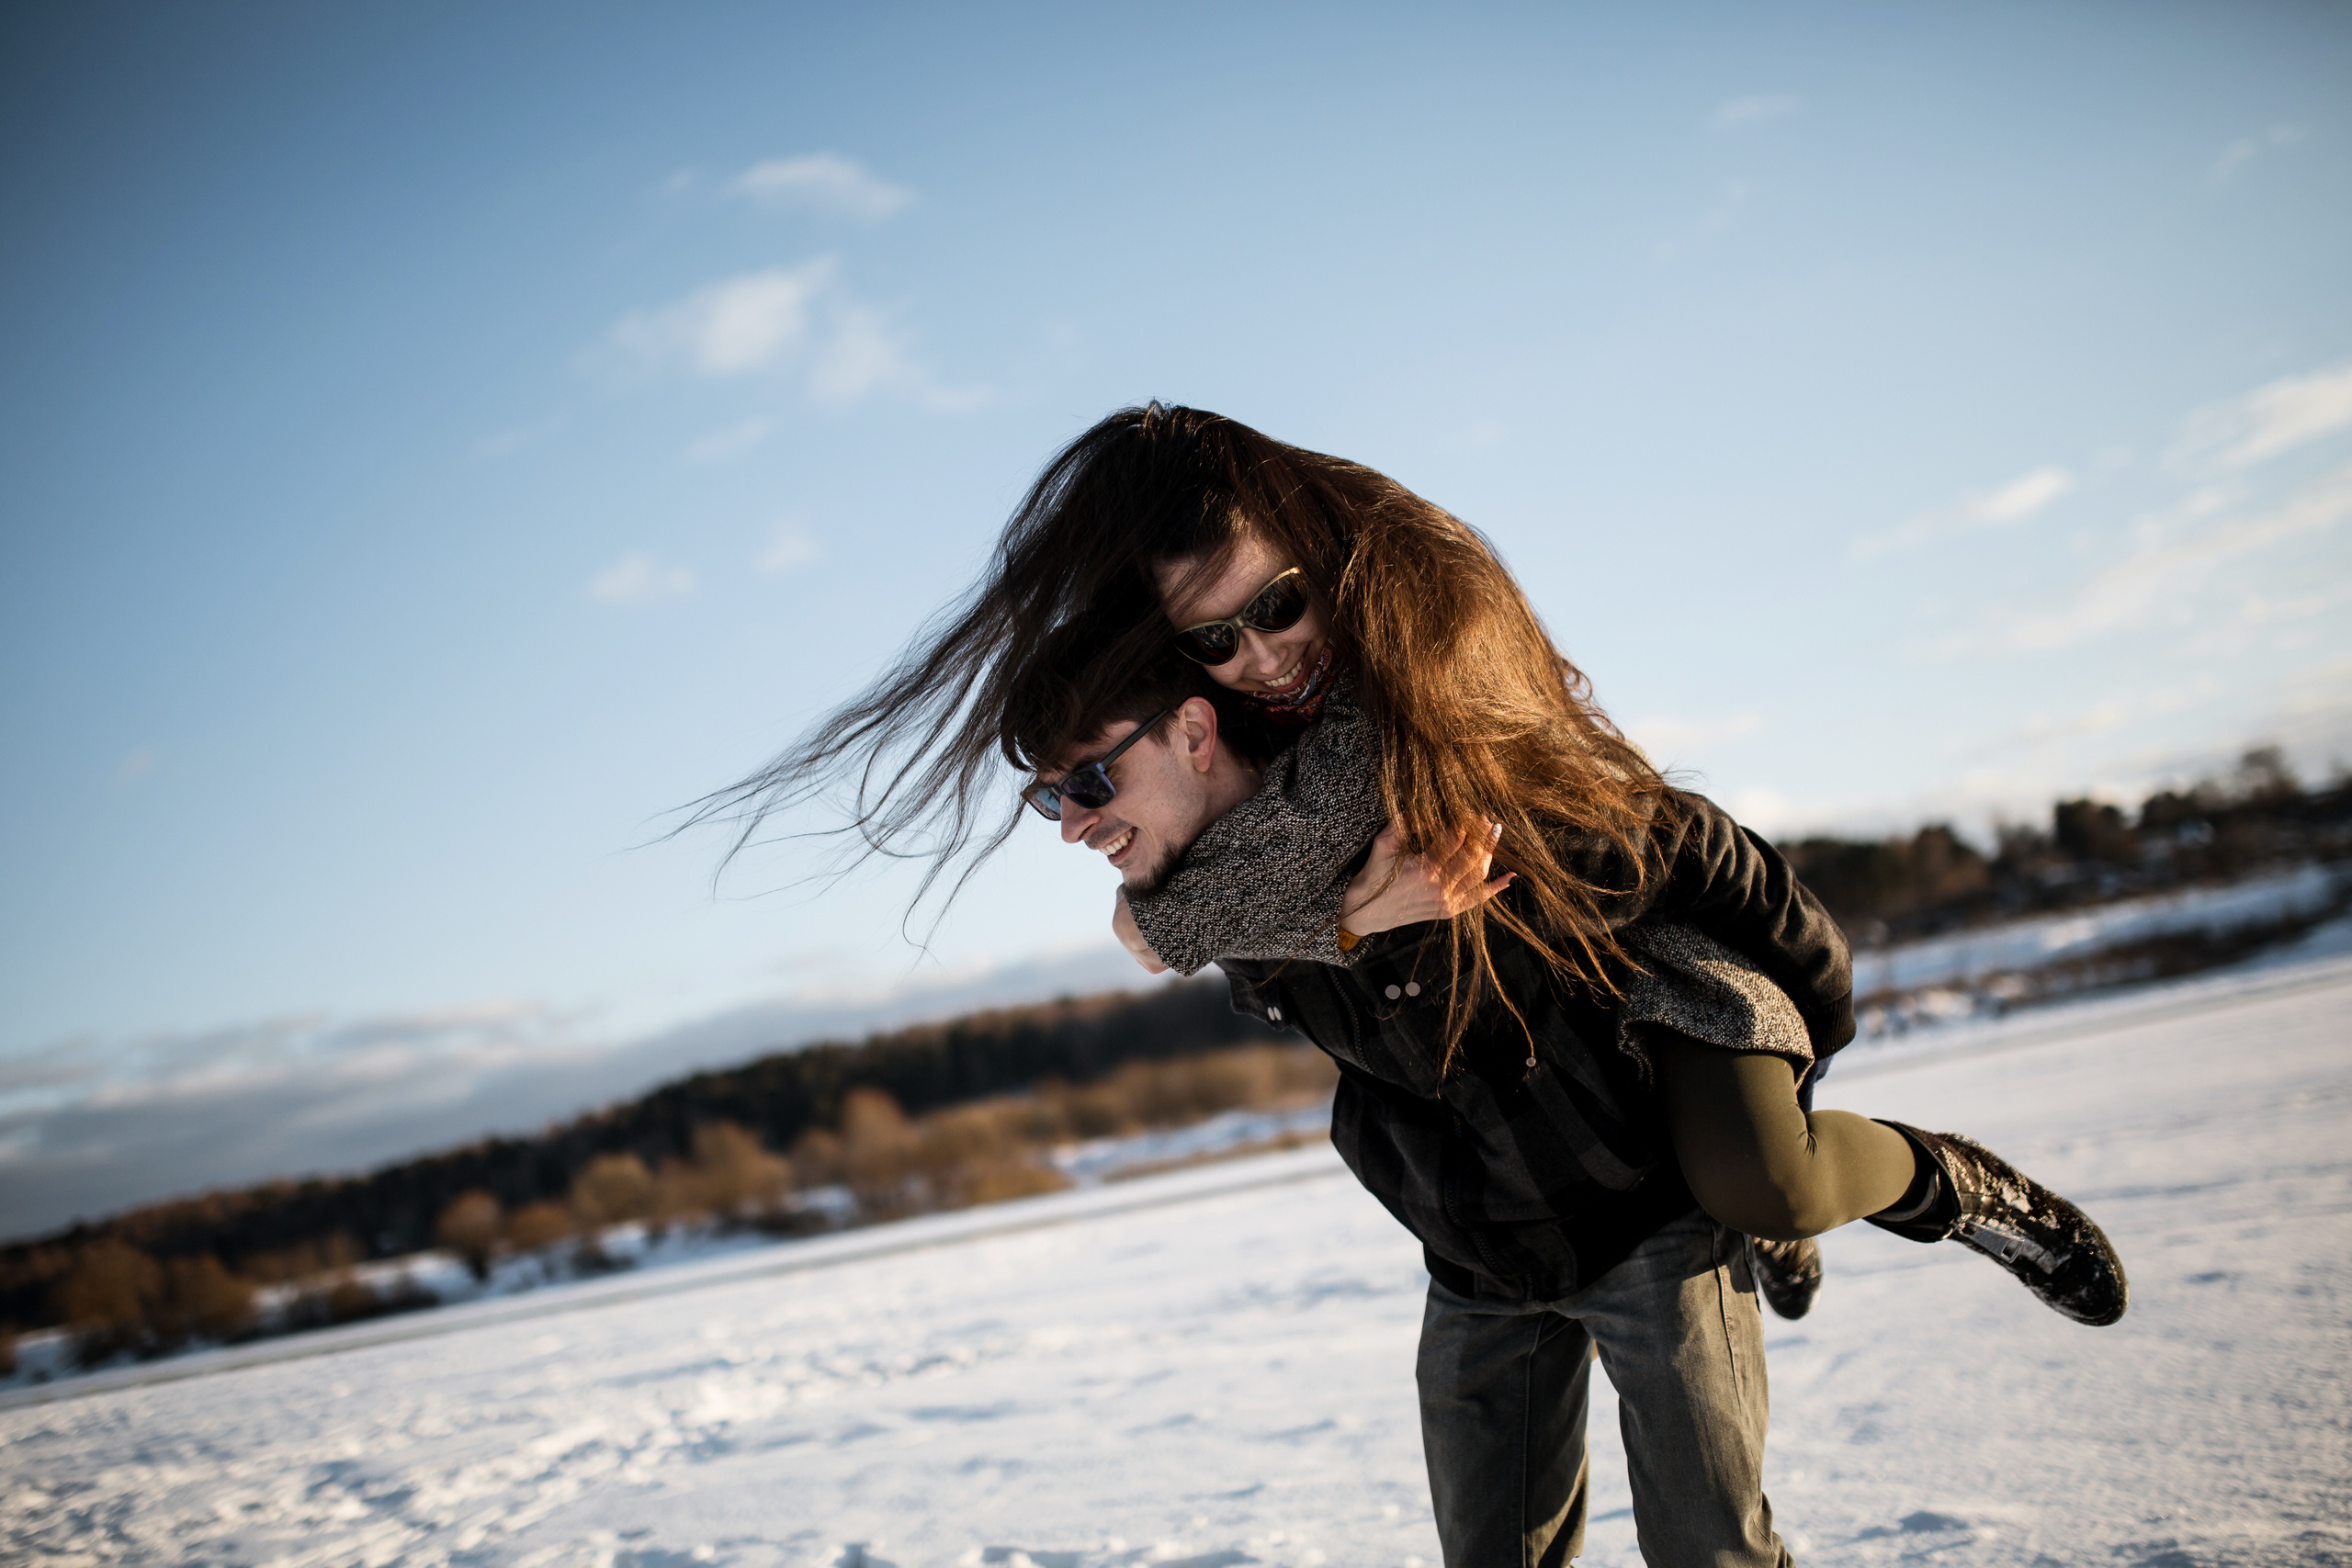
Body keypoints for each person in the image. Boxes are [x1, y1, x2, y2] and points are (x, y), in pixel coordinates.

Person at [697, 404, 2129, 1564]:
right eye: (1219, 637)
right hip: (1485, 1218)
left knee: (1759, 1192)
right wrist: (1323, 921)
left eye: (1282, 604)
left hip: (1660, 1034)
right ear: (1194, 682)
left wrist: (1816, 994)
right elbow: (1188, 907)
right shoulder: (1218, 855)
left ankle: (1939, 1184)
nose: (1268, 650)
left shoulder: (1431, 708)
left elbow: (1674, 839)